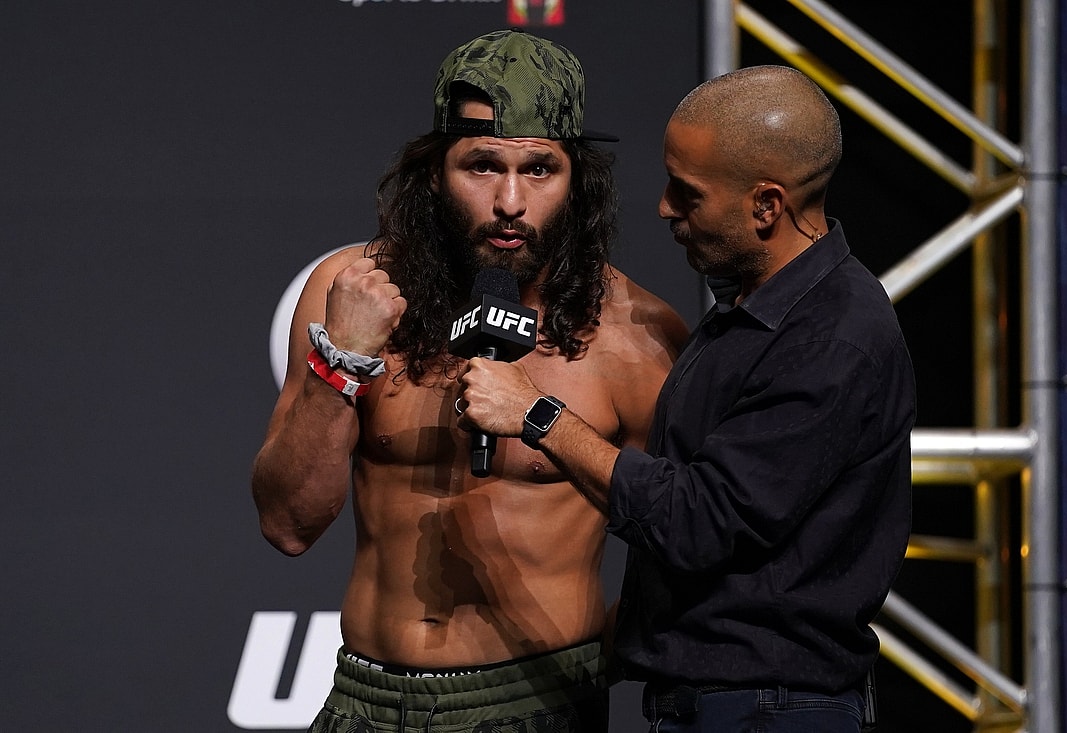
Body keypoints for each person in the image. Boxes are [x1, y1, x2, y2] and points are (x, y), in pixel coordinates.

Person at [250, 29, 688, 733]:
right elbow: (288, 523)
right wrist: (345, 360)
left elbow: (686, 537)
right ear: (432, 172)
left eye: (541, 169)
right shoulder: (351, 290)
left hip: (535, 703)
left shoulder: (636, 337)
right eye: (482, 165)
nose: (511, 201)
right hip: (364, 697)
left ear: (578, 182)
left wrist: (582, 676)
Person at [458, 65, 917, 732]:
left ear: (766, 205)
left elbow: (699, 521)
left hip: (769, 710)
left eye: (688, 192)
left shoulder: (834, 336)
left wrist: (537, 415)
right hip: (720, 702)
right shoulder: (755, 310)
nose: (665, 207)